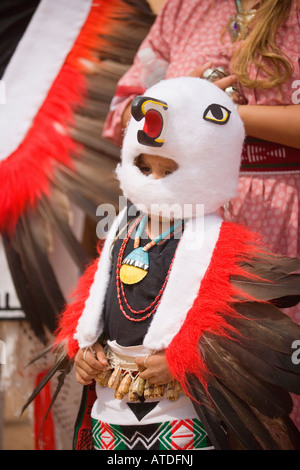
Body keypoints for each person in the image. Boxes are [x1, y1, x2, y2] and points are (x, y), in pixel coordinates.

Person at [55, 77, 300, 450]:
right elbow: (96, 305)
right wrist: (85, 350)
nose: (154, 181)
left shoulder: (219, 242)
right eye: (143, 166)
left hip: (180, 414)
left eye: (167, 170)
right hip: (111, 410)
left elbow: (232, 330)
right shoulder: (121, 228)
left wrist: (185, 357)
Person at [102, 0, 300, 429]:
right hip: (181, 223)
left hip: (288, 213)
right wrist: (173, 101)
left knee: (279, 369)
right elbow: (122, 113)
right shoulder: (187, 8)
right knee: (187, 388)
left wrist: (213, 114)